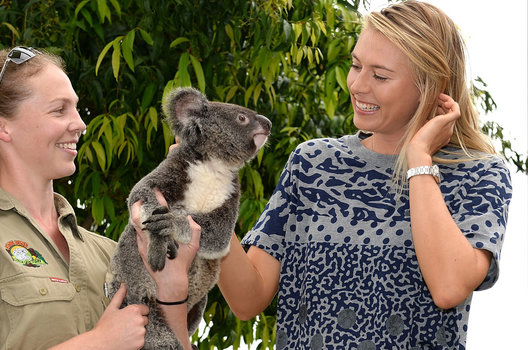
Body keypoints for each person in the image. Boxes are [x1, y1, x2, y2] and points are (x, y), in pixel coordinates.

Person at [217, 1, 513, 349]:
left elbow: (449, 287)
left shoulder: (479, 174)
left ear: (432, 86)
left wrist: (419, 161)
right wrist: (204, 197)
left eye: (380, 75)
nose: (357, 85)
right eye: (356, 65)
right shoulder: (313, 163)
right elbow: (247, 299)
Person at [0, 46, 200, 350]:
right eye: (59, 110)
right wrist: (98, 343)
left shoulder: (109, 251)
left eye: (75, 108)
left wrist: (172, 283)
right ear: (1, 127)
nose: (80, 124)